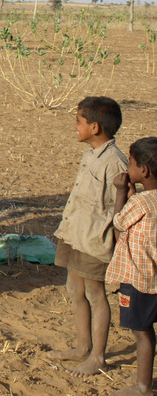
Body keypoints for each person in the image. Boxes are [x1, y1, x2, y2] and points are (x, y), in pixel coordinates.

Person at [49, 96, 127, 377]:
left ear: (94, 127)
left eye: (79, 121)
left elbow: (125, 204)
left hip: (95, 239)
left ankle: (98, 357)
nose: (75, 126)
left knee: (95, 294)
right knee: (74, 289)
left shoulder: (116, 163)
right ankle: (83, 347)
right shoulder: (90, 154)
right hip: (75, 232)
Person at [106, 138, 157, 396]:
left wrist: (120, 192)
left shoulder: (139, 204)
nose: (128, 168)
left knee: (142, 333)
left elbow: (119, 223)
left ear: (144, 171)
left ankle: (142, 386)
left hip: (140, 280)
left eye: (131, 164)